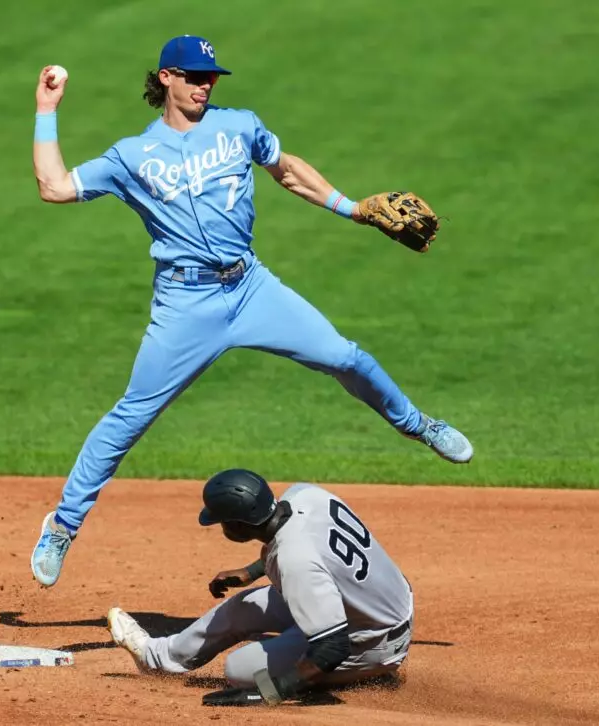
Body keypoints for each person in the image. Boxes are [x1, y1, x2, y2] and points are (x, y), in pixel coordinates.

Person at [30, 34, 473, 587]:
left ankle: (419, 425)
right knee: (130, 418)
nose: (203, 84)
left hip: (250, 288)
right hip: (185, 304)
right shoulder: (131, 157)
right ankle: (63, 526)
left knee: (344, 355)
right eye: (192, 75)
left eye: (210, 76)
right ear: (165, 77)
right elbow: (53, 187)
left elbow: (286, 170)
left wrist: (353, 208)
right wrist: (47, 110)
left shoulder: (238, 125)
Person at [106, 468, 415, 706]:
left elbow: (332, 648)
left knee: (240, 671)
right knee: (245, 607)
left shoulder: (296, 561)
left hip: (371, 641)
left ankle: (365, 673)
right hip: (374, 603)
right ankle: (156, 656)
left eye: (222, 522)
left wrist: (267, 694)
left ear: (239, 526)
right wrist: (252, 571)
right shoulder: (306, 495)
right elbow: (314, 550)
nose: (220, 527)